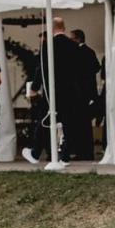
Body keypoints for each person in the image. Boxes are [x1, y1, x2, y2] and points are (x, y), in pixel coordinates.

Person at [22, 18, 76, 164]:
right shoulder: (73, 45)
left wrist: (34, 87)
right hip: (70, 89)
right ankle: (64, 157)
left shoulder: (48, 45)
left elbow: (42, 68)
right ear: (63, 27)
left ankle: (35, 153)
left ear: (51, 28)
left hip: (52, 89)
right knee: (67, 122)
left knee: (45, 119)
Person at [67, 28, 100, 161]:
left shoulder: (77, 52)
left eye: (71, 39)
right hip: (88, 92)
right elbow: (97, 67)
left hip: (80, 93)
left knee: (80, 124)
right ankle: (87, 151)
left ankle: (82, 152)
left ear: (78, 39)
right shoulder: (90, 51)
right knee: (85, 124)